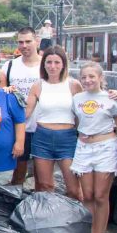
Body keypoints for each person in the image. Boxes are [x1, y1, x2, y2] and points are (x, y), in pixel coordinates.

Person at [71, 62, 117, 233]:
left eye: (92, 76)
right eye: (84, 77)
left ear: (101, 78)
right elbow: (78, 122)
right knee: (88, 195)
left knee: (102, 195)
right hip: (84, 147)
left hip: (105, 147)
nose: (88, 80)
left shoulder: (111, 99)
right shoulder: (77, 99)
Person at [25, 46, 82, 198]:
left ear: (64, 64)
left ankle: (78, 219)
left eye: (57, 62)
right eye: (49, 62)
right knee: (45, 186)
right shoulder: (38, 86)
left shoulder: (74, 85)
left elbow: (84, 112)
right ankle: (48, 220)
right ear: (43, 64)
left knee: (74, 189)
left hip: (68, 138)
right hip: (42, 137)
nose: (52, 66)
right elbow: (25, 113)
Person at [0, 26, 42, 185]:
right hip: (18, 128)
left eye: (28, 41)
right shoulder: (9, 66)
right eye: (20, 42)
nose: (24, 46)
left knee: (42, 176)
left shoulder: (46, 65)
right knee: (18, 174)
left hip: (41, 127)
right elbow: (1, 95)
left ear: (36, 41)